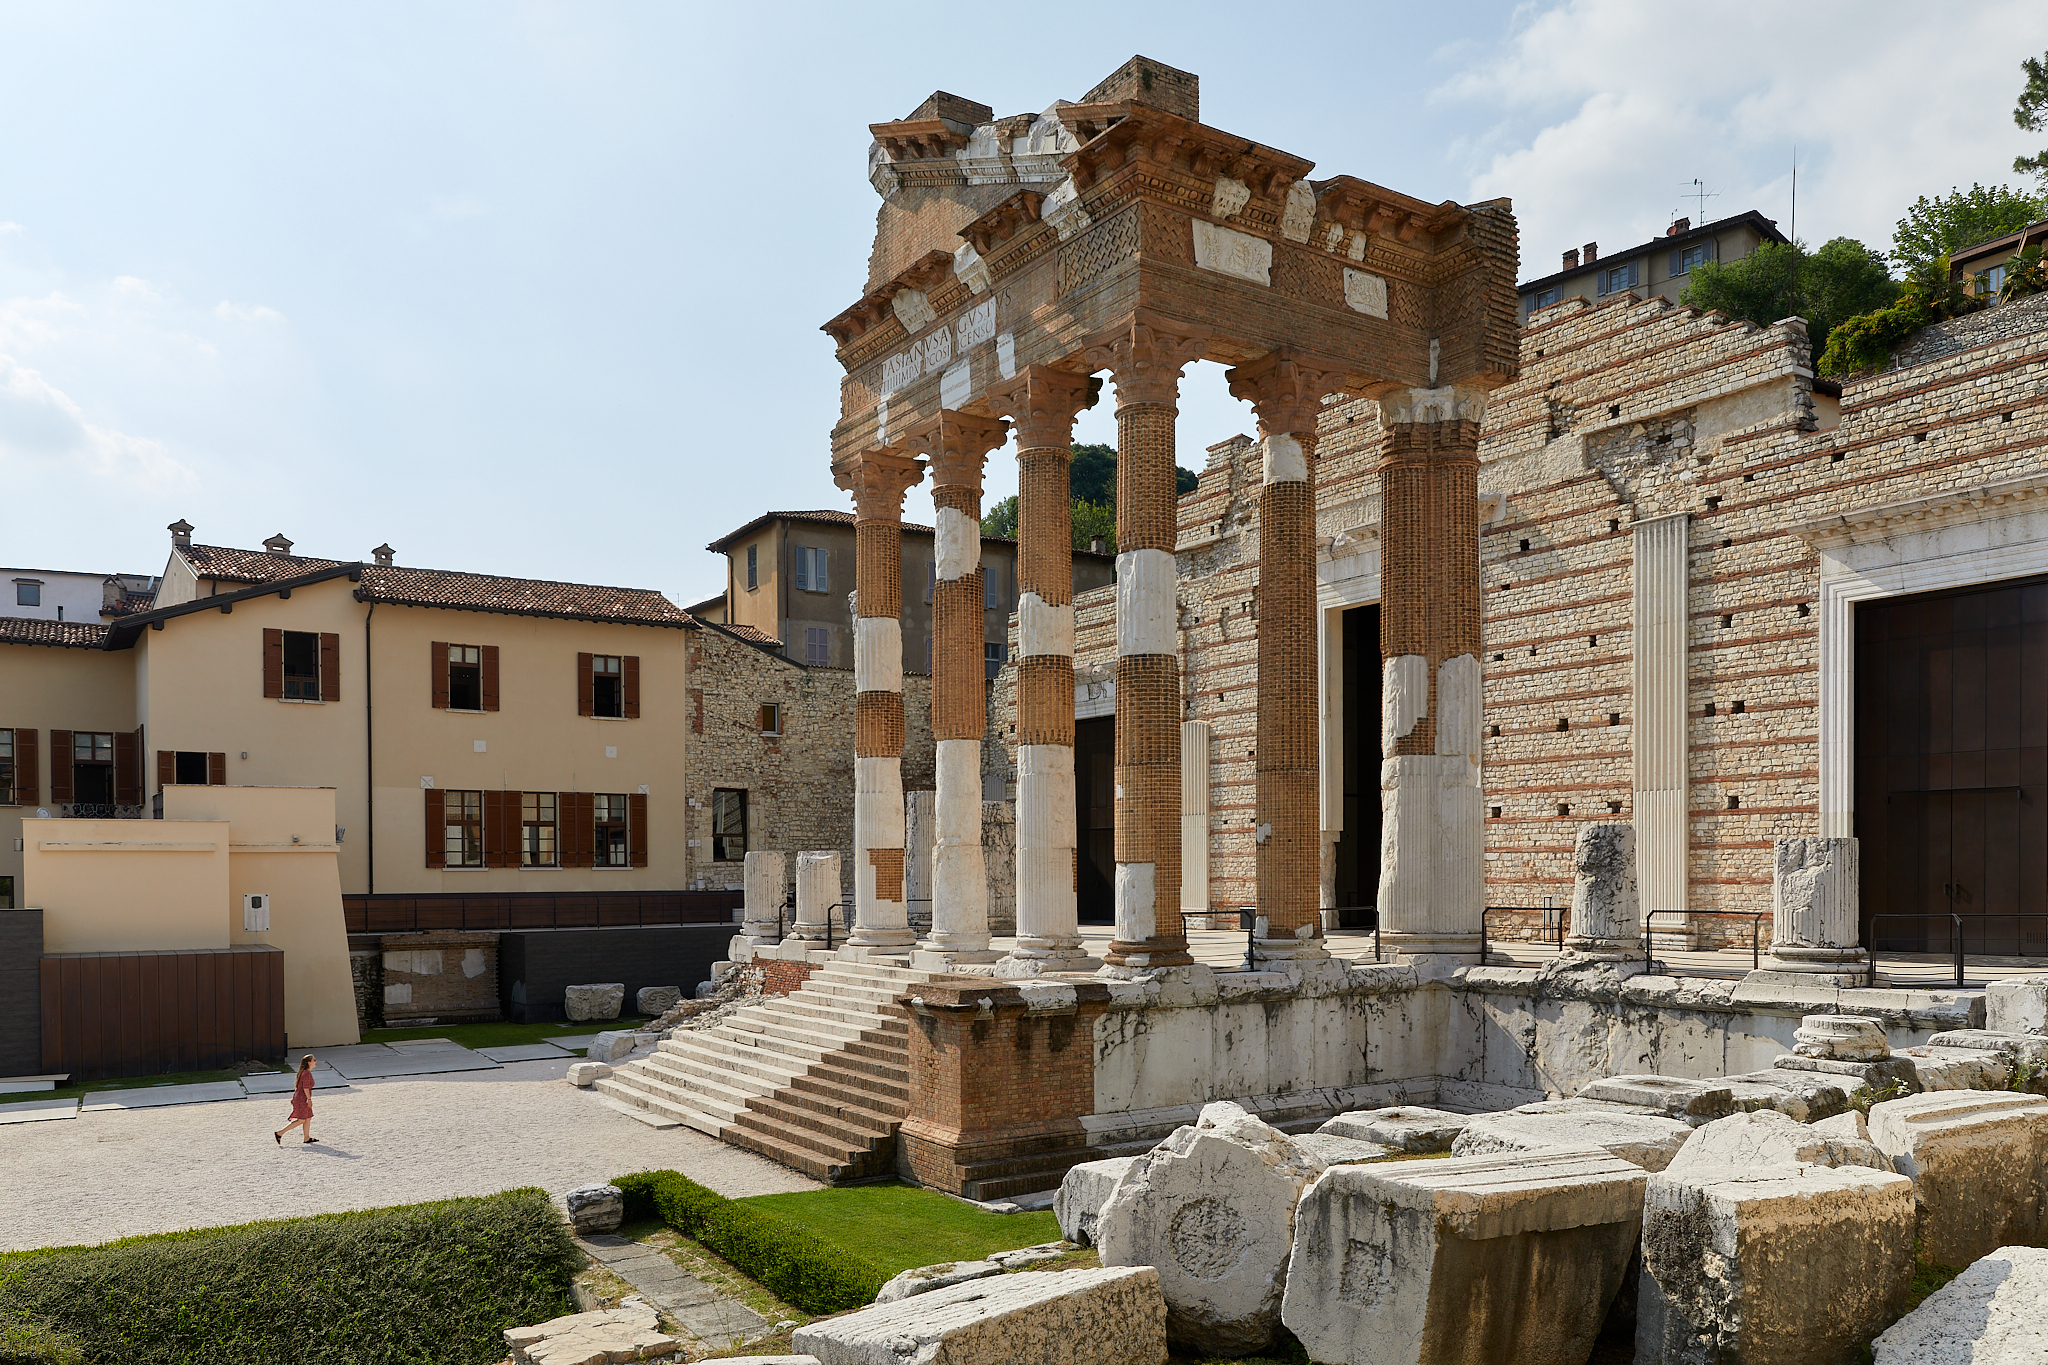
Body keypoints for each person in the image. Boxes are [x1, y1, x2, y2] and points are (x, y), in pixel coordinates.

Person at [274, 1054, 319, 1145]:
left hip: (300, 1098)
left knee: (308, 1118)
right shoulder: (306, 1073)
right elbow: (305, 1088)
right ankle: (280, 1133)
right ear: (308, 1062)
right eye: (314, 1060)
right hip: (302, 1099)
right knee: (302, 1119)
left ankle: (306, 1138)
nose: (316, 1061)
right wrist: (309, 1100)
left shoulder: (305, 1072)